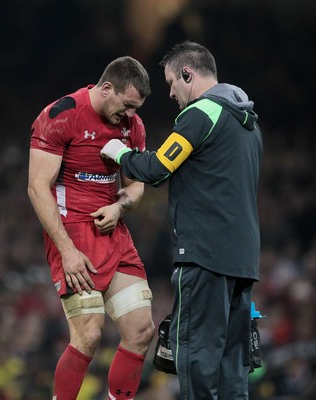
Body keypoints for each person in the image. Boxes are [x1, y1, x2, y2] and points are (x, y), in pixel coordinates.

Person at [101, 41, 263, 399]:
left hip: (205, 254)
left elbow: (158, 169)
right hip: (244, 259)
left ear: (188, 74)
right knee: (233, 359)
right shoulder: (249, 124)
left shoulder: (203, 113)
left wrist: (121, 154)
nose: (171, 92)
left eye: (172, 82)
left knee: (196, 352)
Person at [27, 56, 155, 400]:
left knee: (142, 330)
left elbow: (136, 186)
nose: (130, 115)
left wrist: (118, 206)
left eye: (136, 108)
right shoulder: (61, 115)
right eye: (126, 105)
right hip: (72, 234)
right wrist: (67, 251)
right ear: (106, 88)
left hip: (114, 232)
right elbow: (37, 187)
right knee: (89, 333)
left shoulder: (133, 125)